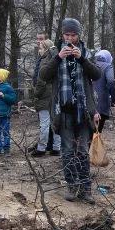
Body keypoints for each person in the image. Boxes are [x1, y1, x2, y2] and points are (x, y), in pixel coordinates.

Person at [38, 18, 102, 203]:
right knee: (67, 151)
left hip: (83, 111)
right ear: (62, 35)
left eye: (73, 35)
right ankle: (71, 186)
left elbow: (97, 74)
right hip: (63, 110)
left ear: (78, 35)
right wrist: (58, 58)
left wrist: (81, 58)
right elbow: (43, 76)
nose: (70, 39)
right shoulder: (53, 52)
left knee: (82, 150)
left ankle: (86, 188)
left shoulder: (87, 52)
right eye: (67, 35)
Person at [29, 39, 61, 156]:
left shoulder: (44, 61)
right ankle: (56, 147)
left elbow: (41, 81)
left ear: (46, 49)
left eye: (41, 48)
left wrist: (36, 94)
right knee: (55, 123)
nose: (39, 50)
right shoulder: (56, 59)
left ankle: (41, 148)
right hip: (55, 95)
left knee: (44, 123)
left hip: (45, 97)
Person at [92, 49, 115, 131]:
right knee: (97, 132)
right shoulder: (107, 66)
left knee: (87, 134)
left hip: (88, 104)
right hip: (101, 104)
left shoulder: (90, 64)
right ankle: (94, 144)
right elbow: (111, 81)